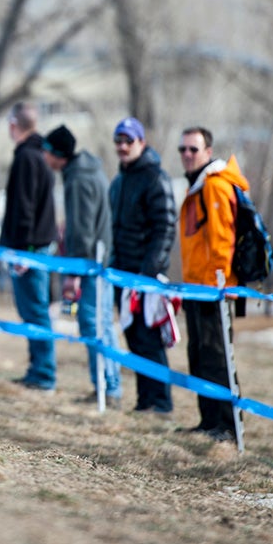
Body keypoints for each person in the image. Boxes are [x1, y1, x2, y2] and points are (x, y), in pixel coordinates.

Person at [42, 125, 123, 408]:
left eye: (46, 152)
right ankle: (106, 386)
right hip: (97, 261)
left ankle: (108, 389)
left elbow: (83, 230)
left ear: (57, 154)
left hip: (90, 265)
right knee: (100, 324)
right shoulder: (85, 172)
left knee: (94, 325)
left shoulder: (78, 179)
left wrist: (73, 274)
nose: (44, 158)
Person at [177, 126, 244, 444]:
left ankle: (228, 427)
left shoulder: (215, 186)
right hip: (195, 286)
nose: (187, 155)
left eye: (193, 149)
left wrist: (220, 286)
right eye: (183, 150)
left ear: (208, 151)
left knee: (218, 358)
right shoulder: (198, 185)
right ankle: (209, 421)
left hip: (212, 289)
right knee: (199, 355)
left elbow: (222, 241)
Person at [108, 117, 177, 415]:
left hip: (145, 275)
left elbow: (165, 227)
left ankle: (160, 402)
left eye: (129, 140)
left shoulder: (155, 178)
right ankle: (144, 400)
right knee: (134, 338)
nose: (123, 146)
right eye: (118, 141)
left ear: (141, 143)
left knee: (150, 340)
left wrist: (148, 272)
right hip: (121, 273)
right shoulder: (119, 180)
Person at [0, 102, 59, 391]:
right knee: (35, 310)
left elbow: (24, 208)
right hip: (39, 244)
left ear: (14, 125)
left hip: (31, 248)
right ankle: (38, 368)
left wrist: (22, 250)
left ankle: (43, 373)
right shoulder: (43, 155)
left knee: (35, 311)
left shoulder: (27, 157)